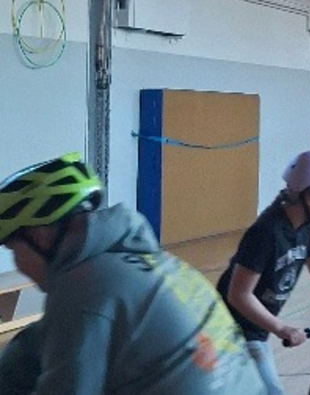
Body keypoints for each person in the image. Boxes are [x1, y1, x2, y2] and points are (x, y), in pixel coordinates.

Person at [0, 153, 266, 395]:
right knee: (35, 342)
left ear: (39, 236)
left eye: (13, 248)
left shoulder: (83, 285)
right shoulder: (146, 259)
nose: (18, 263)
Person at [218, 151, 310, 395]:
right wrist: (282, 329)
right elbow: (239, 295)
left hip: (256, 331)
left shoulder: (302, 226)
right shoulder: (266, 232)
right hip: (232, 330)